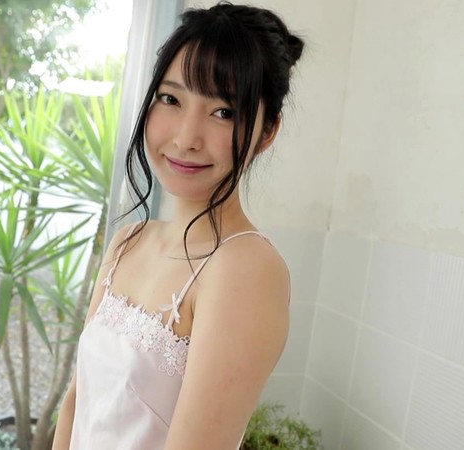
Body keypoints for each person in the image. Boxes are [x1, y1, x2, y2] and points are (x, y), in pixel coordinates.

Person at [53, 2, 304, 449]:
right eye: (171, 99)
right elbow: (76, 403)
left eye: (224, 111)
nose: (186, 138)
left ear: (267, 132)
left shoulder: (245, 268)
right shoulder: (129, 241)